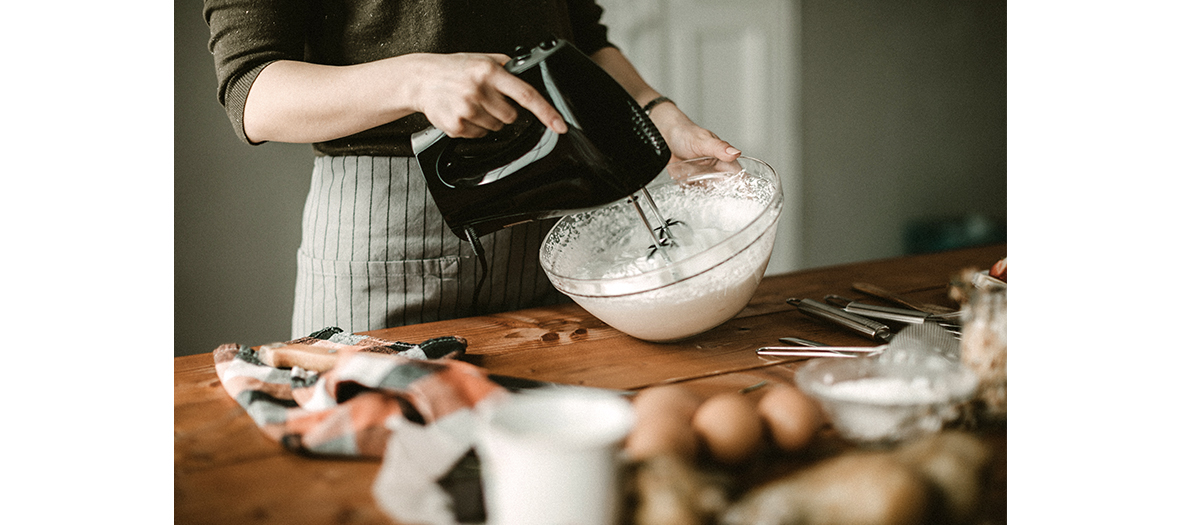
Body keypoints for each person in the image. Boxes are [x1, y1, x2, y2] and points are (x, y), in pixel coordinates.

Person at [204, 0, 742, 338]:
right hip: (383, 234)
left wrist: (655, 112)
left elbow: (583, 36)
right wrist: (415, 81)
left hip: (555, 218)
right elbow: (252, 90)